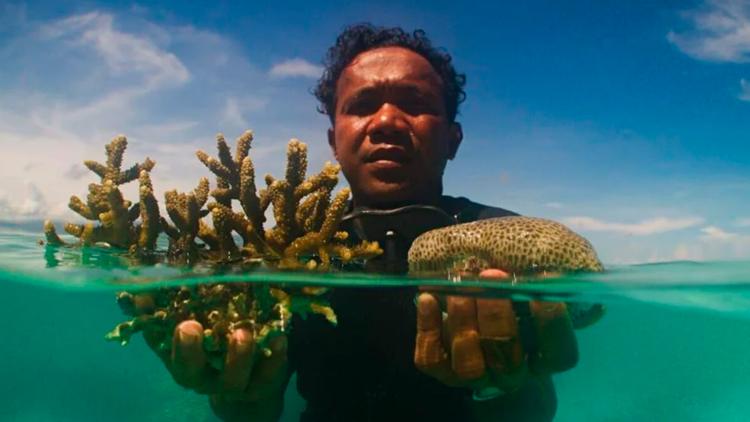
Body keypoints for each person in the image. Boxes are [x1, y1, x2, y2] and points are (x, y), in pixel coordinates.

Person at [145, 24, 579, 421]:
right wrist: (237, 390)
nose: (387, 121)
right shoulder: (288, 253)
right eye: (363, 105)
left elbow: (535, 407)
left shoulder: (505, 237)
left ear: (453, 139)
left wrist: (510, 382)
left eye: (415, 103)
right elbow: (257, 410)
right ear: (334, 139)